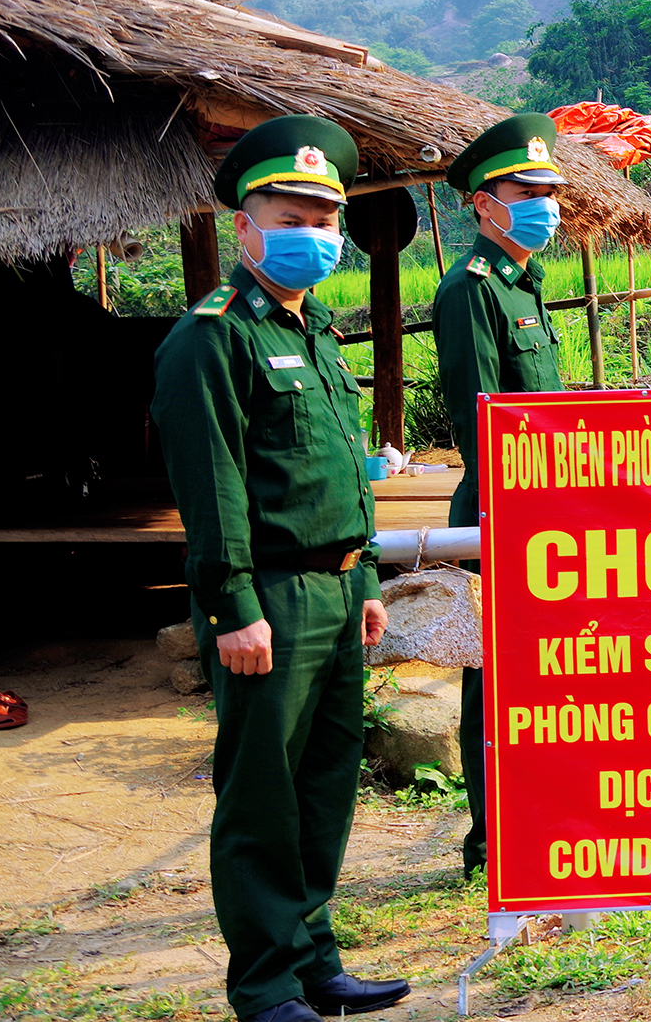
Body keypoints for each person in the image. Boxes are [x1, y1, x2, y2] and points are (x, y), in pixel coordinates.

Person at [155, 115, 411, 1022]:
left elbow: (346, 468)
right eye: (291, 212)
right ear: (245, 225)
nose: (313, 231)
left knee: (324, 784)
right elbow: (213, 485)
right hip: (269, 596)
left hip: (339, 591)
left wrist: (369, 579)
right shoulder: (210, 338)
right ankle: (264, 986)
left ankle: (313, 961)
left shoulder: (319, 336)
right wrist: (232, 607)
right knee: (262, 793)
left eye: (324, 215)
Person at [431, 112, 566, 878]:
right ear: (485, 203)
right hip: (498, 512)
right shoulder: (471, 290)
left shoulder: (524, 286)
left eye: (549, 189)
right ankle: (492, 835)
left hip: (545, 512)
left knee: (542, 673)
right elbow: (483, 420)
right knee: (495, 680)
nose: (544, 202)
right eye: (526, 189)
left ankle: (537, 814)